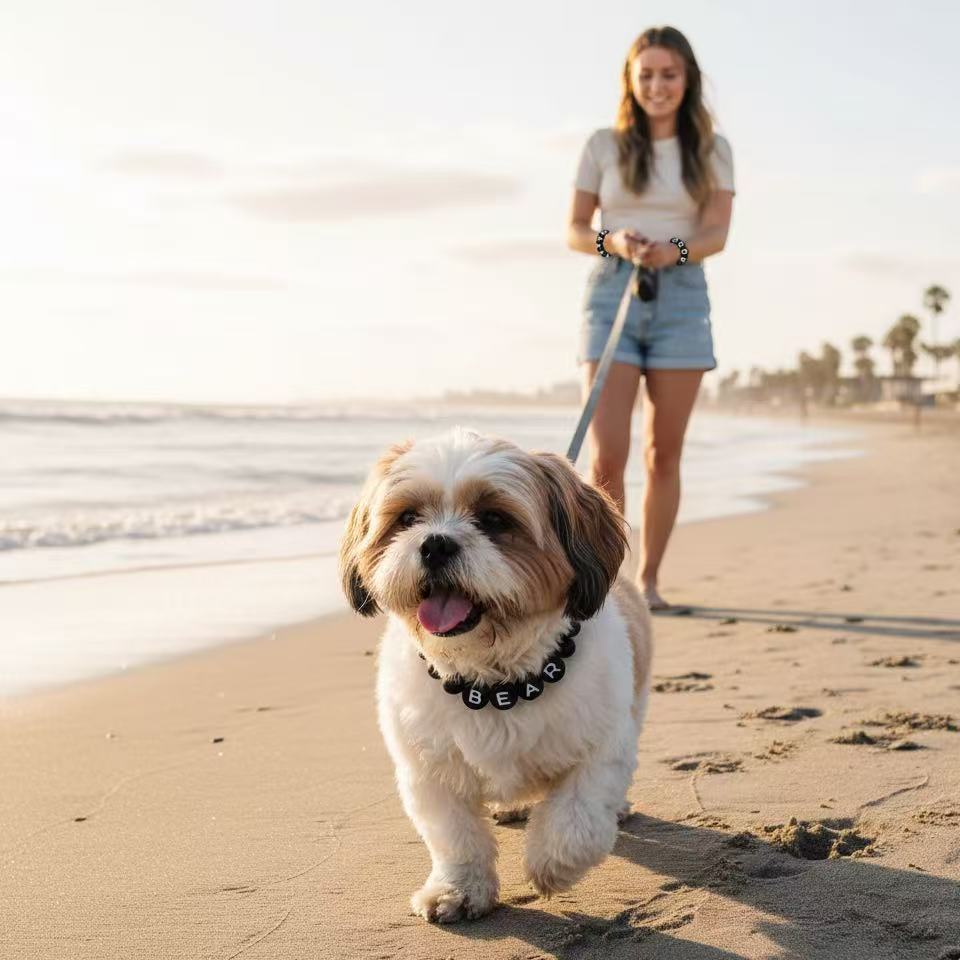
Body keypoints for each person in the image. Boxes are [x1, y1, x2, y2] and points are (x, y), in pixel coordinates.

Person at [566, 25, 735, 612]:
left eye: (669, 75)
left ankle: (650, 580)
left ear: (686, 80)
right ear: (630, 81)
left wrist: (676, 251)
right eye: (647, 76)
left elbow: (716, 232)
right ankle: (606, 581)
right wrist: (614, 242)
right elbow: (575, 230)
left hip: (682, 298)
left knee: (664, 453)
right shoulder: (602, 145)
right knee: (605, 453)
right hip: (613, 292)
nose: (658, 87)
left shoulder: (712, 150)